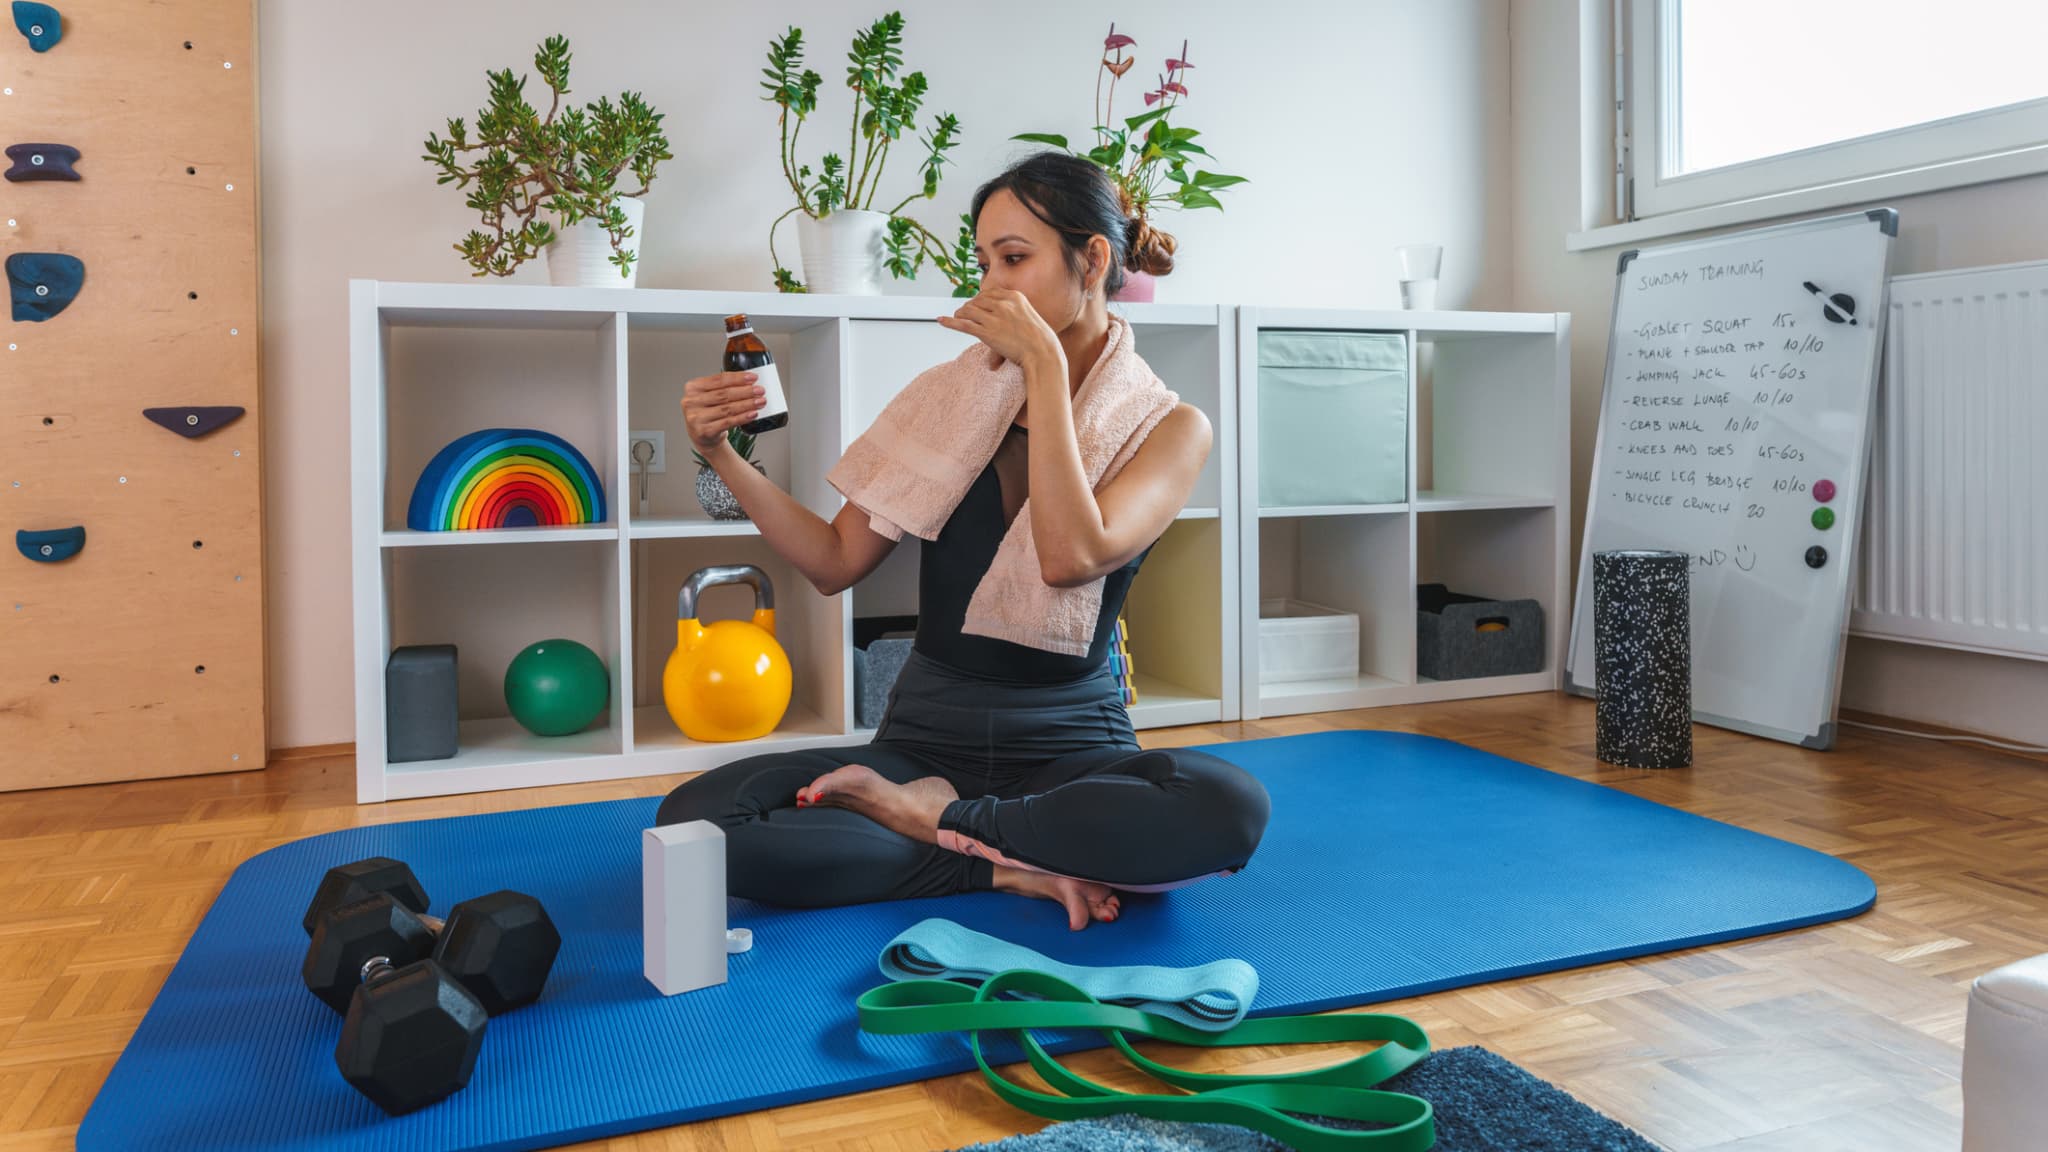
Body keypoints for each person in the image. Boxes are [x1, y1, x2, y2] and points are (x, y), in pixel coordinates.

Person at [655, 152, 1270, 931]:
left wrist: (1046, 372)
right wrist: (720, 456)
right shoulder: (944, 399)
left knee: (1229, 807)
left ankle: (948, 831)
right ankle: (1003, 865)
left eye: (1014, 259)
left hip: (1072, 747)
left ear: (1094, 261)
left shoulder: (1171, 428)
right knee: (695, 819)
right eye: (983, 263)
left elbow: (1070, 554)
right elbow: (832, 563)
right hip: (924, 742)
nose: (990, 285)